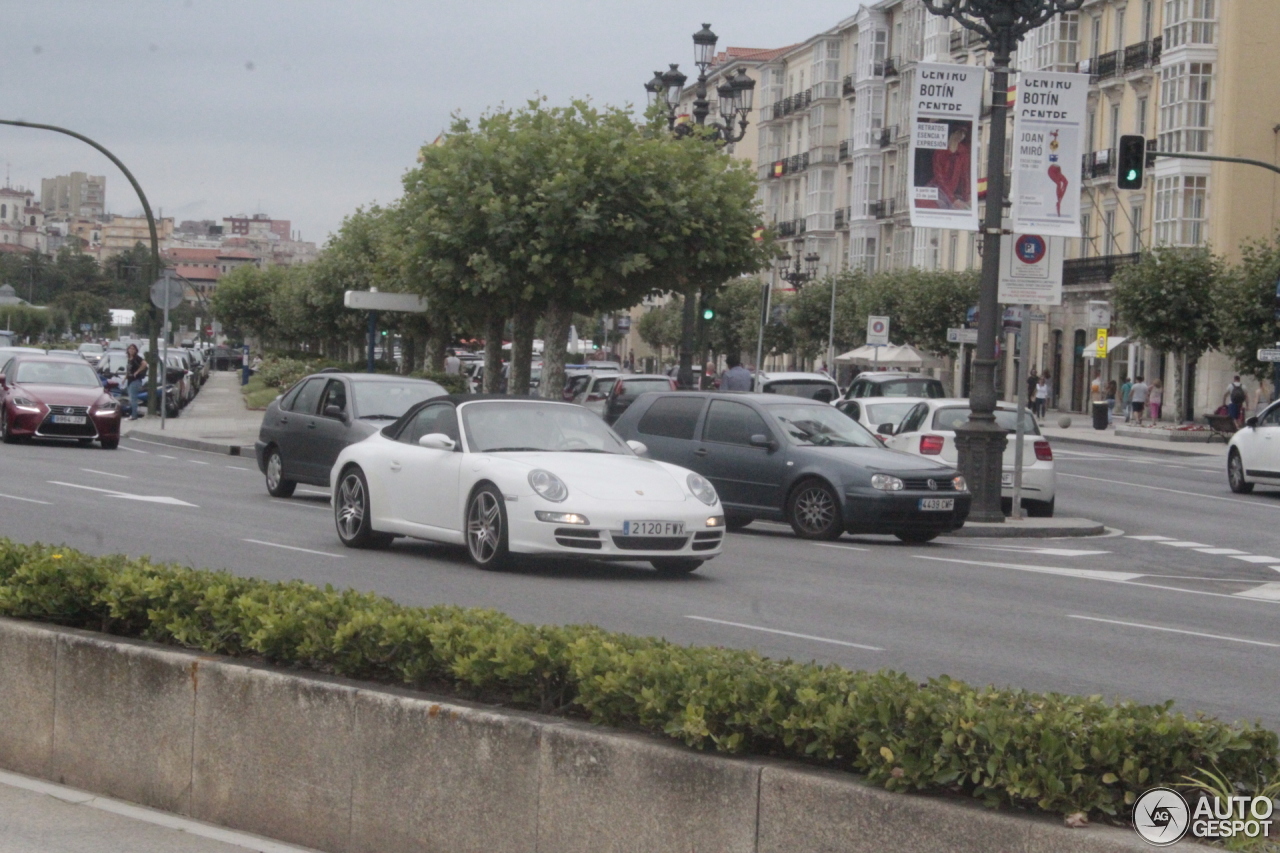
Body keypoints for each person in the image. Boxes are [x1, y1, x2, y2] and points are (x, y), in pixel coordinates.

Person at [125, 344, 147, 420]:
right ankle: (132, 414)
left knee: (133, 398)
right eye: (130, 348)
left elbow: (144, 364)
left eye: (133, 349)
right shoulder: (129, 358)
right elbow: (128, 370)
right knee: (131, 398)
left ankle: (134, 415)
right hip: (130, 380)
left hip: (135, 380)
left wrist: (137, 372)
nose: (131, 350)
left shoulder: (137, 358)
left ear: (136, 350)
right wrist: (125, 378)